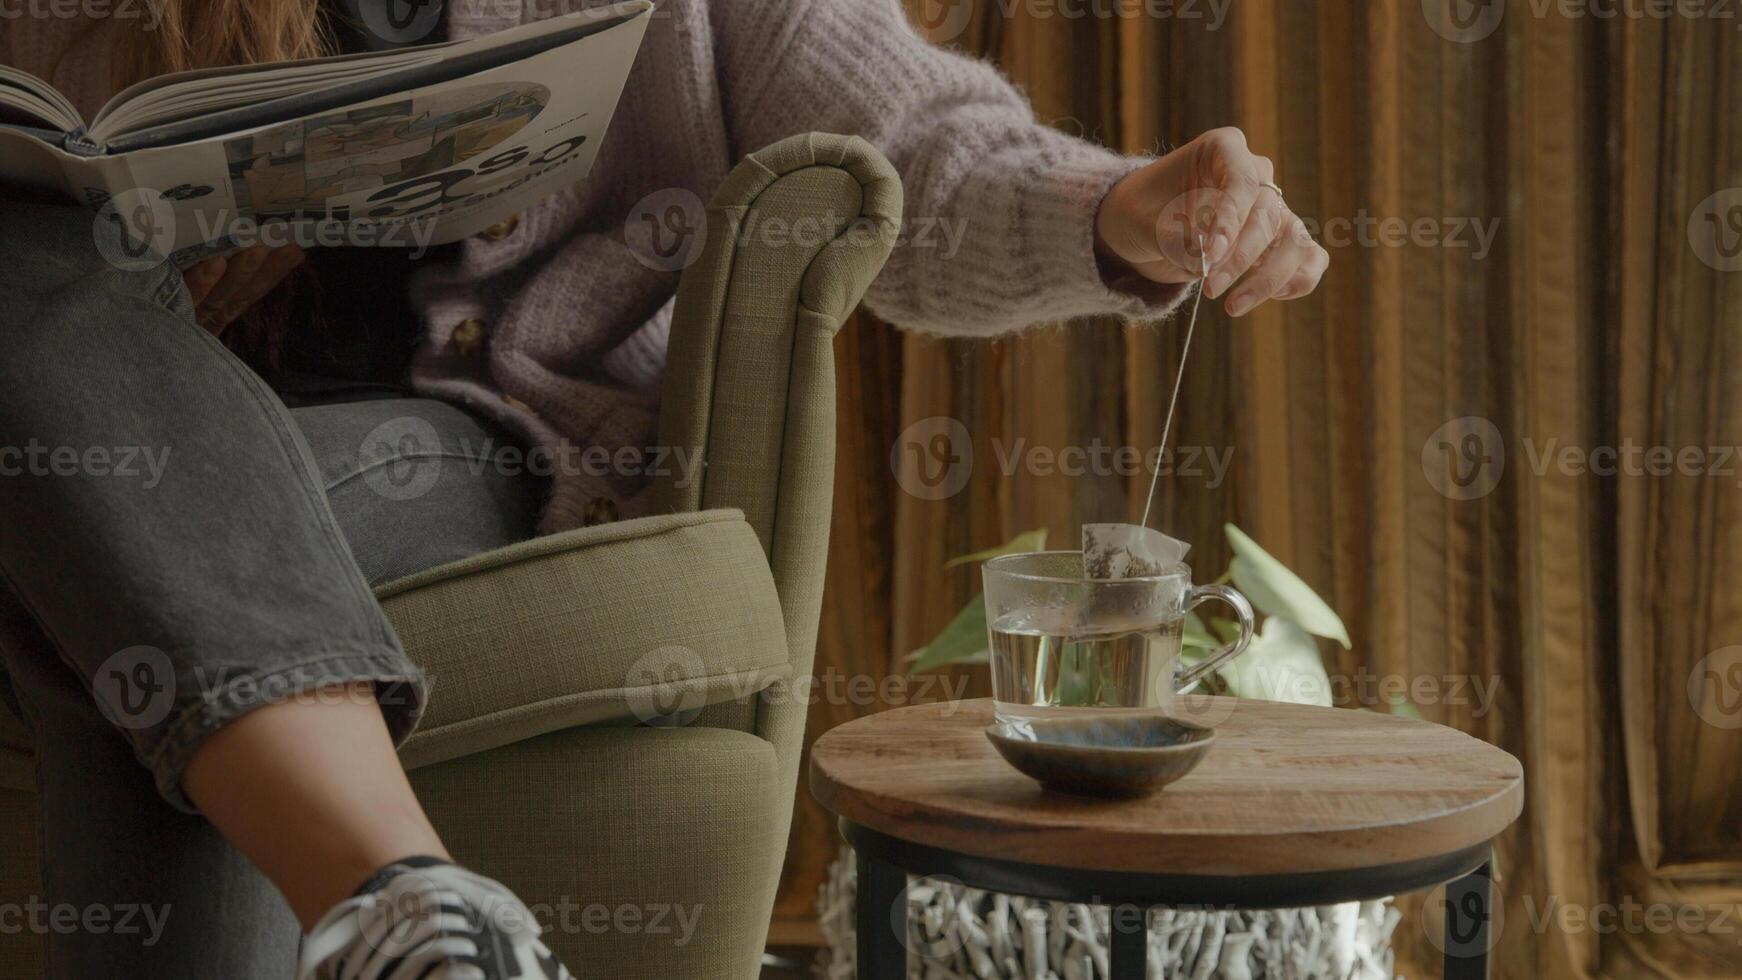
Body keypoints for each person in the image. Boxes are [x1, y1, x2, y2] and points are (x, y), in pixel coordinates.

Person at [0, 1, 1329, 977]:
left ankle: (409, 916)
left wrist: (1115, 209)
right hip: (82, 425)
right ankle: (414, 911)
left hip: (429, 443)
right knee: (48, 341)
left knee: (131, 572)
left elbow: (916, 149)